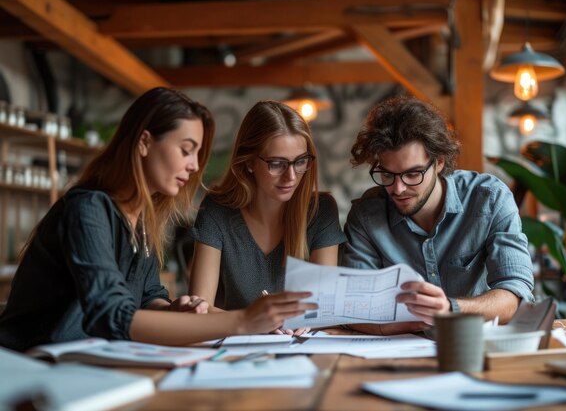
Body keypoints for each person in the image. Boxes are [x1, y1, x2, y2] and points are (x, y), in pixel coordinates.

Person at [0, 87, 315, 352]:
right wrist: (244, 321)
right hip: (31, 365)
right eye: (186, 150)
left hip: (84, 361)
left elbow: (149, 297)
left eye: (197, 154)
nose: (193, 166)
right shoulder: (88, 209)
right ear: (144, 142)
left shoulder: (141, 219)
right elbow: (112, 316)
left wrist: (176, 310)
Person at [341, 95, 534, 331]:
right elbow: (353, 309)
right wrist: (417, 322)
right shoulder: (366, 216)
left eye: (413, 174)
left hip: (478, 348)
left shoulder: (489, 199)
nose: (398, 188)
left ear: (439, 162)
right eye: (387, 175)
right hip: (401, 356)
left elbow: (516, 297)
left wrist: (450, 309)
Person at [188, 101, 345, 334]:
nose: (291, 176)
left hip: (304, 348)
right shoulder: (216, 210)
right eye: (277, 164)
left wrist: (306, 319)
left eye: (300, 161)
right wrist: (256, 321)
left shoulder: (321, 211)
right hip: (237, 349)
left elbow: (325, 306)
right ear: (249, 161)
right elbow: (199, 308)